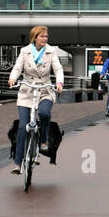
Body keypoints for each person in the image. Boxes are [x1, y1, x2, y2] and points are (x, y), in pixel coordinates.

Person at [8, 26, 65, 172]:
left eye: (46, 37)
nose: (45, 39)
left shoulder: (51, 51)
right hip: (27, 91)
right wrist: (12, 78)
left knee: (45, 113)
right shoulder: (24, 51)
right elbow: (17, 67)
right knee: (22, 127)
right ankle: (17, 163)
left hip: (45, 90)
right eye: (42, 36)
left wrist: (59, 82)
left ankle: (44, 140)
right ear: (35, 37)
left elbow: (58, 69)